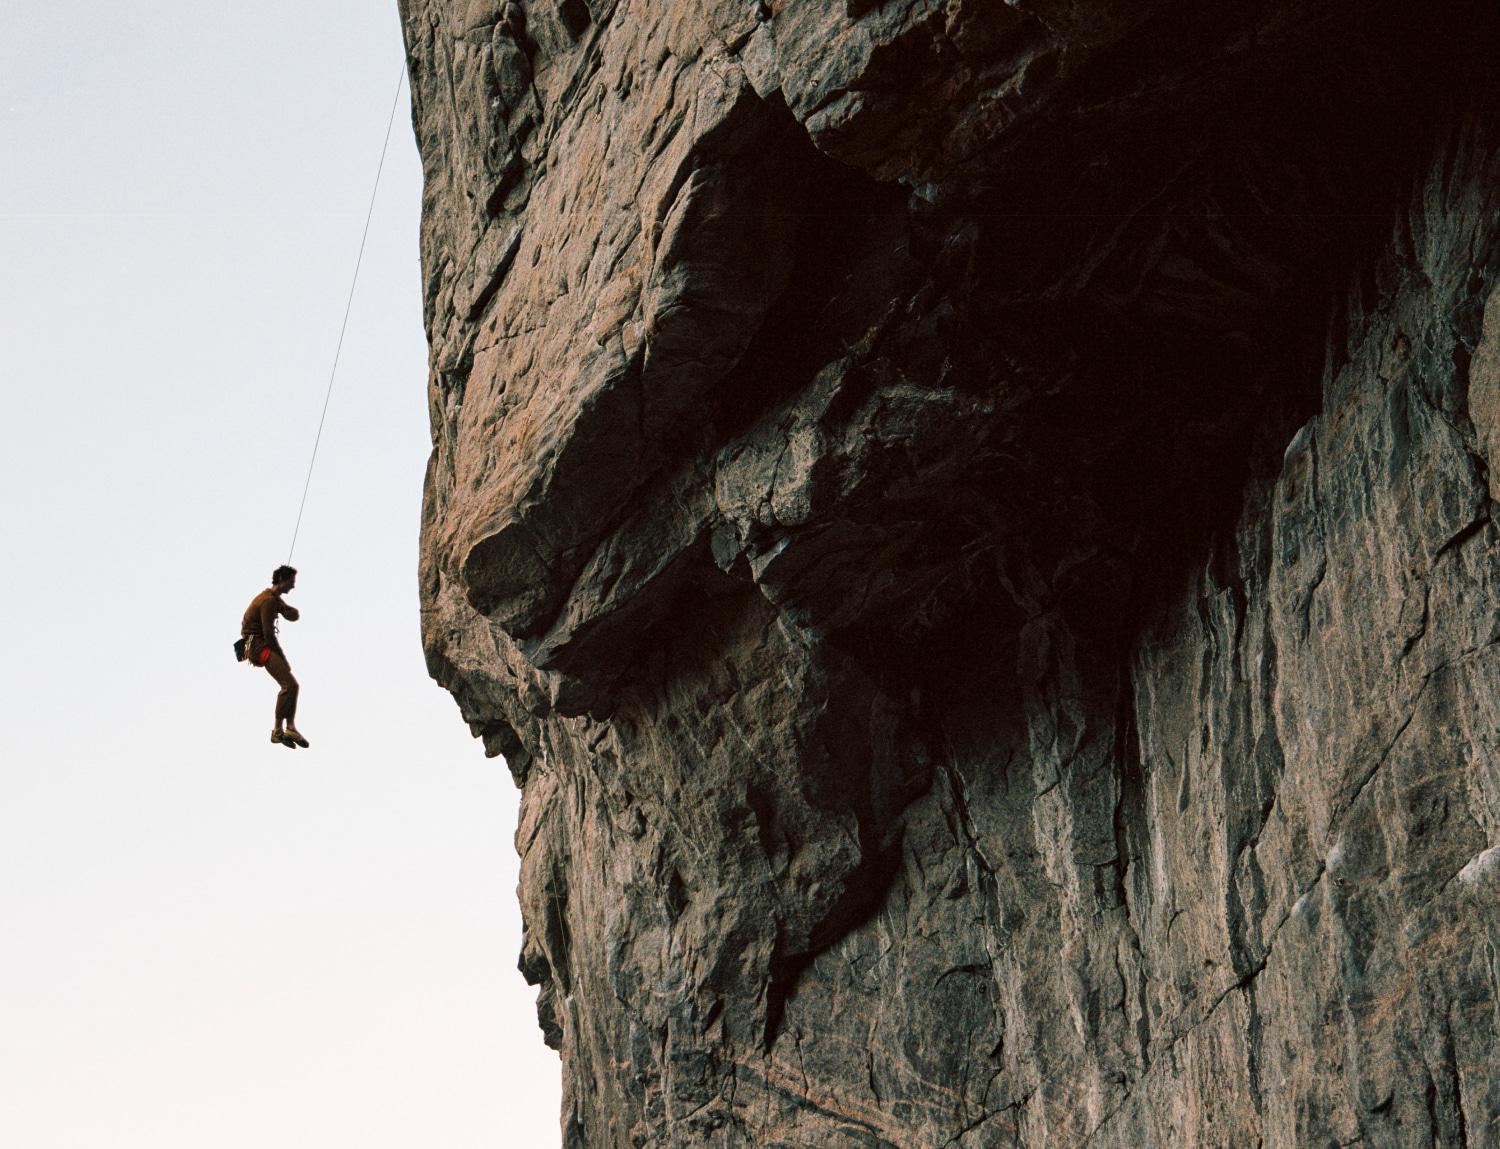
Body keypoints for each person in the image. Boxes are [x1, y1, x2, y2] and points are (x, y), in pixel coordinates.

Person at [242, 565, 309, 748]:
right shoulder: (268, 601)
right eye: (292, 582)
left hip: (259, 646)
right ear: (282, 580)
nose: (293, 586)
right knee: (289, 685)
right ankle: (281, 729)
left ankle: (285, 728)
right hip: (258, 647)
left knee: (291, 686)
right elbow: (269, 634)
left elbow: (292, 615)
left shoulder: (272, 598)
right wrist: (283, 658)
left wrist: (289, 611)